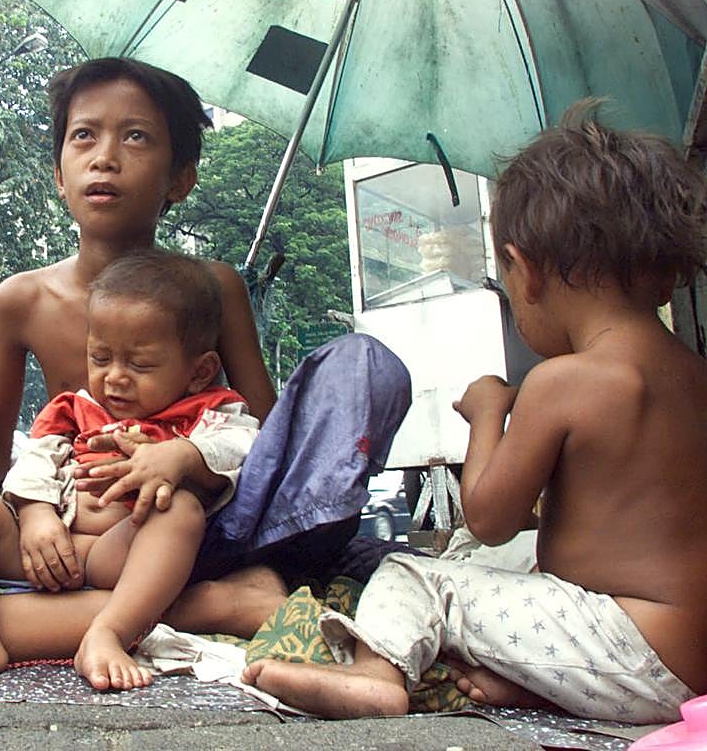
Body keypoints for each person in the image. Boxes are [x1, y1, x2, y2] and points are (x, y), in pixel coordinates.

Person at [0, 57, 410, 674]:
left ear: (179, 178)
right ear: (58, 173)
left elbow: (266, 441)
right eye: (85, 135)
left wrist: (189, 460)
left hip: (191, 527)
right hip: (62, 543)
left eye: (135, 136)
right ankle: (205, 607)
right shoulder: (21, 299)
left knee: (360, 362)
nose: (104, 156)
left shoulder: (216, 288)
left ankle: (172, 596)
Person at [242, 102, 707, 723]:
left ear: (526, 271)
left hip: (631, 655)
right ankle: (536, 682)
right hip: (689, 652)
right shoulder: (694, 375)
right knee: (480, 560)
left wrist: (487, 416)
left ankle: (377, 676)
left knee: (418, 574)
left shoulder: (563, 381)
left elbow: (489, 514)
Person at [0, 251, 259, 690]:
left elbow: (244, 447)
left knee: (180, 509)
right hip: (43, 546)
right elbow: (37, 457)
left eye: (139, 364)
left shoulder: (209, 412)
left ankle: (108, 631)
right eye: (100, 358)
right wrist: (36, 513)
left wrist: (182, 456)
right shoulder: (77, 408)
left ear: (200, 372)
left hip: (120, 554)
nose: (115, 377)